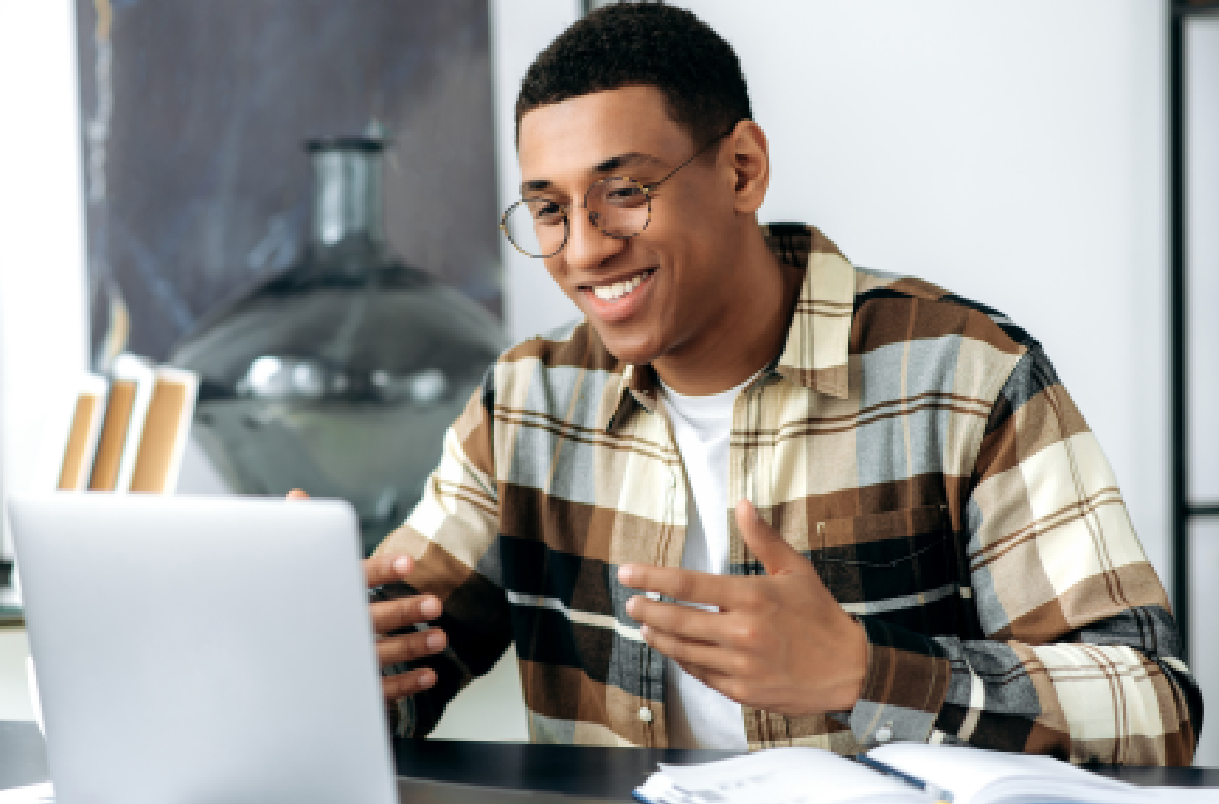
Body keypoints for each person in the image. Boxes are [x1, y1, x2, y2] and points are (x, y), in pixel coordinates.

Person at [332, 4, 1200, 763]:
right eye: (552, 210)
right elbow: (407, 662)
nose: (587, 248)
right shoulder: (527, 402)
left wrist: (866, 670)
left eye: (624, 191)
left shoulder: (964, 376)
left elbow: (1152, 706)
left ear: (743, 169)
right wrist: (330, 646)